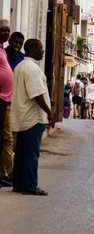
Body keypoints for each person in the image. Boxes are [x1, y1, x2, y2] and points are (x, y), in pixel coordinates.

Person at [10, 39, 55, 195]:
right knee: (31, 154)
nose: (43, 51)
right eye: (41, 48)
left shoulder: (20, 66)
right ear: (32, 49)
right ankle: (29, 186)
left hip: (22, 116)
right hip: (32, 118)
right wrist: (49, 112)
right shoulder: (32, 69)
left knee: (21, 153)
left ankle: (18, 184)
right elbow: (36, 94)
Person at [0, 19, 14, 188]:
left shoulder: (3, 50)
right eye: (3, 30)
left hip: (5, 99)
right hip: (1, 98)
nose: (6, 33)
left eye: (7, 31)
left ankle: (2, 174)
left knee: (3, 139)